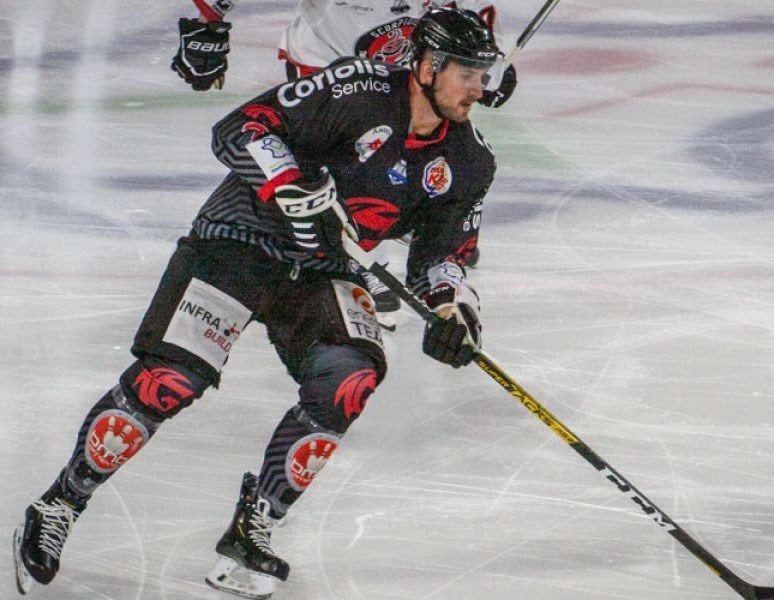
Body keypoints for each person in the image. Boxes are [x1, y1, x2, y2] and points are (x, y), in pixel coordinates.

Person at [14, 7, 497, 598]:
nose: (481, 88)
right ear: (426, 67)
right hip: (241, 234)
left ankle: (256, 526)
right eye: (468, 73)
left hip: (324, 266)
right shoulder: (357, 88)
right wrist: (287, 182)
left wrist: (450, 310)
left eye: (482, 74)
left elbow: (445, 255)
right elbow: (241, 126)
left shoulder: (470, 161)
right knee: (170, 380)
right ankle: (60, 504)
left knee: (350, 378)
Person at [171, 0, 515, 316]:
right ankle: (355, 259)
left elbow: (469, 15)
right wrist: (209, 20)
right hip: (328, 56)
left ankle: (390, 226)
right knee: (332, 156)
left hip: (414, 66)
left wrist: (492, 62)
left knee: (410, 151)